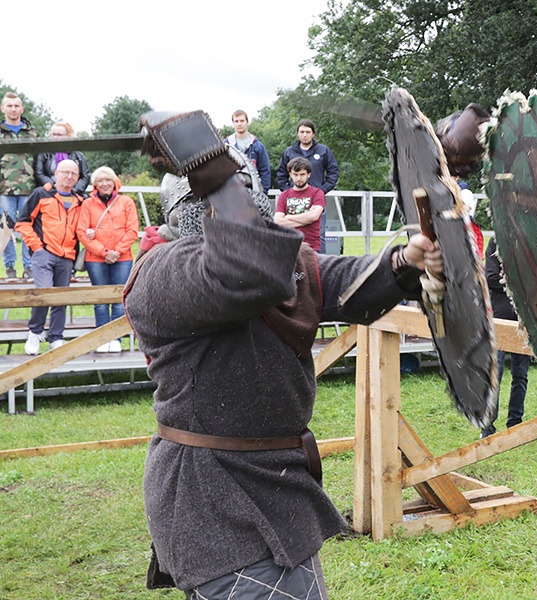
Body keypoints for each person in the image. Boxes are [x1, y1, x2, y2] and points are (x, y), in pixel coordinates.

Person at [125, 110, 442, 598]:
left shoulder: (272, 261)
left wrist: (406, 261)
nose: (244, 205)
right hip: (212, 496)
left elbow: (340, 284)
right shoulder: (161, 274)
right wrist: (211, 167)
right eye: (230, 194)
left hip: (276, 480)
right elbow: (245, 270)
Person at [16, 159, 83, 355]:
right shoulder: (41, 194)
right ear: (56, 173)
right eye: (65, 172)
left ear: (78, 177)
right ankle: (35, 332)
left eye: (73, 174)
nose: (69, 177)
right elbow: (23, 222)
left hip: (67, 255)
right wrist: (37, 247)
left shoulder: (80, 199)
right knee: (43, 293)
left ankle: (56, 336)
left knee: (60, 298)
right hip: (44, 253)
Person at [76, 166, 139, 353]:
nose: (104, 184)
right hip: (96, 258)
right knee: (100, 298)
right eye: (100, 181)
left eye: (108, 180)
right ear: (95, 184)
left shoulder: (126, 202)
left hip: (122, 257)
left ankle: (116, 339)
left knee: (118, 297)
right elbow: (82, 231)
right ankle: (101, 337)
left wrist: (117, 251)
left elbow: (132, 230)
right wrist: (104, 252)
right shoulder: (88, 204)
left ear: (114, 182)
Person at [480, 236, 528, 438]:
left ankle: (515, 423)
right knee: (494, 376)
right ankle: (488, 427)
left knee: (520, 375)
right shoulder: (496, 242)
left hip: (522, 321)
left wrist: (506, 277)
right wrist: (517, 281)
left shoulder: (526, 243)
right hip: (498, 320)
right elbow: (490, 277)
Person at [275, 118, 339, 251]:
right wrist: (289, 192)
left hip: (315, 201)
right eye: (302, 131)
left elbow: (333, 173)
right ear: (297, 133)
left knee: (319, 238)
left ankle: (319, 268)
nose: (305, 135)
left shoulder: (323, 151)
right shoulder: (289, 152)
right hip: (293, 202)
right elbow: (281, 175)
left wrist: (320, 191)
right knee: (292, 236)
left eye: (308, 132)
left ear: (313, 134)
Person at [0, 91, 39, 281]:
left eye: (16, 106)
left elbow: (40, 160)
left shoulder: (33, 132)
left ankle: (29, 267)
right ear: (3, 108)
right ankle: (9, 268)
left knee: (26, 228)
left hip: (28, 188)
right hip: (3, 189)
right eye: (9, 105)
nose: (13, 109)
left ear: (22, 109)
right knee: (5, 229)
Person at [274, 157, 325, 251]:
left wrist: (289, 217)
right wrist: (306, 218)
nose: (298, 178)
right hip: (288, 245)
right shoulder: (284, 195)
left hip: (311, 246)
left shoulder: (317, 193)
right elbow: (278, 221)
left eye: (302, 174)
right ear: (290, 174)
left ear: (308, 174)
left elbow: (314, 216)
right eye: (295, 174)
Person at [34, 121, 90, 196]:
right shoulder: (44, 153)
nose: (55, 137)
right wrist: (55, 187)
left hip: (73, 193)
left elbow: (85, 176)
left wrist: (75, 190)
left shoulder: (78, 155)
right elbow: (39, 173)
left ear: (69, 136)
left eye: (59, 135)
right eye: (53, 134)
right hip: (49, 192)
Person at [224, 109, 271, 192]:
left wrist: (264, 192)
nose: (239, 124)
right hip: (230, 191)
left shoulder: (258, 146)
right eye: (236, 121)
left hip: (253, 190)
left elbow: (265, 170)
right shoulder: (226, 145)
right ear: (233, 123)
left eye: (242, 121)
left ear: (247, 122)